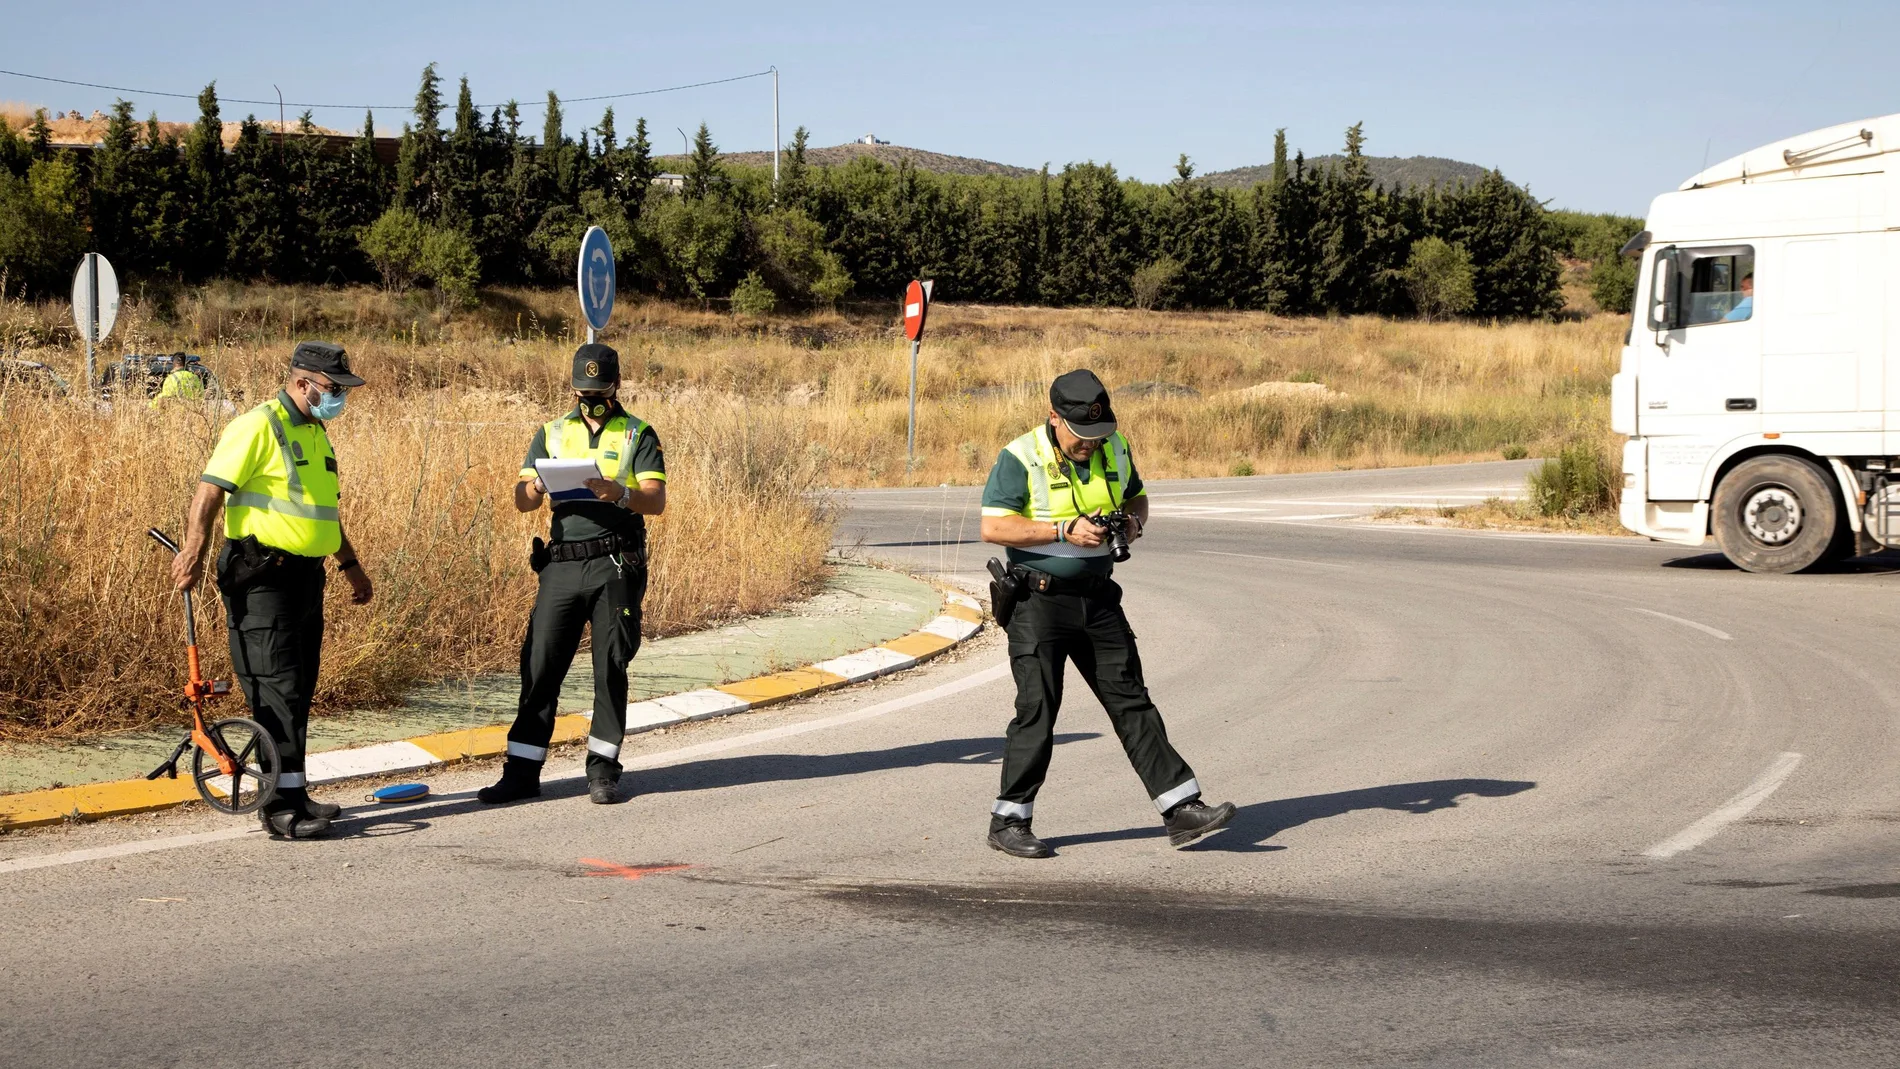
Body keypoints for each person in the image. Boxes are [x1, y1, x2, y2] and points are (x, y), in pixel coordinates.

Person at [978, 369, 1236, 858]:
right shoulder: (1019, 456)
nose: (1091, 445)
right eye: (1081, 435)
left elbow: (1136, 494)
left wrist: (1134, 521)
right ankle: (1009, 820)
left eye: (1098, 435)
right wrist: (1061, 532)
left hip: (1097, 598)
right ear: (1053, 417)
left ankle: (1180, 808)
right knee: (1038, 710)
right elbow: (993, 526)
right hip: (1038, 601)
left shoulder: (1114, 445)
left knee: (1131, 700)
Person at [171, 341, 373, 840]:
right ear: (303, 384)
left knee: (298, 690)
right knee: (275, 691)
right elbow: (210, 490)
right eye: (333, 389)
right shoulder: (255, 426)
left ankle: (296, 794)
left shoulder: (316, 432)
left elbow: (325, 512)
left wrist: (350, 566)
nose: (339, 398)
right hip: (262, 578)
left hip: (307, 577)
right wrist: (194, 549)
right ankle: (279, 810)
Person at [480, 343, 666, 807]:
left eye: (599, 388)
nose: (590, 397)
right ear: (572, 388)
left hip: (614, 564)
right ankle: (521, 772)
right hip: (561, 565)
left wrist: (618, 492)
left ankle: (603, 770)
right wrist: (537, 485)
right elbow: (522, 500)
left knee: (610, 665)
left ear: (616, 384)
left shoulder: (637, 434)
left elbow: (655, 500)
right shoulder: (551, 432)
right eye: (582, 390)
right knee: (539, 664)